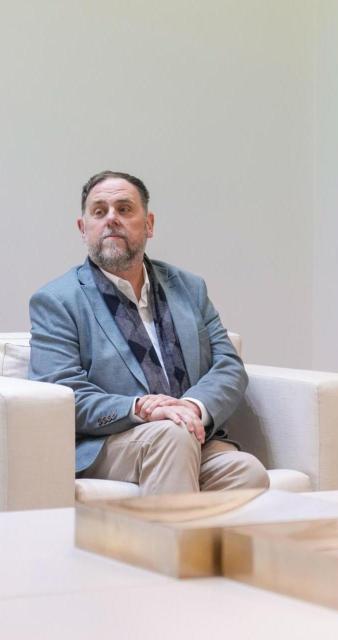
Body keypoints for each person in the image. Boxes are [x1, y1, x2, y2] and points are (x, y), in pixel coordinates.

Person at [29, 171, 269, 495]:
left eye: (125, 209)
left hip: (190, 432)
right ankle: (170, 547)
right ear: (83, 229)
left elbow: (228, 365)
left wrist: (194, 407)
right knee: (171, 437)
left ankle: (208, 547)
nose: (112, 219)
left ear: (149, 224)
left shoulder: (189, 288)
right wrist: (140, 408)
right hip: (110, 442)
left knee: (248, 473)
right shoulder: (57, 300)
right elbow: (61, 393)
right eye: (99, 211)